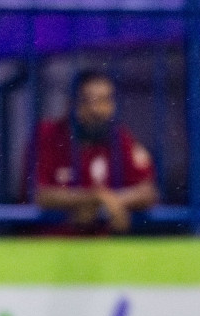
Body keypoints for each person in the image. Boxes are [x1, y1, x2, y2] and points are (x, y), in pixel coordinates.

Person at [28, 69, 158, 235]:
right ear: (71, 104)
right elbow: (41, 194)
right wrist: (94, 198)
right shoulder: (47, 134)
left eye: (105, 101)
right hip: (48, 247)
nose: (96, 109)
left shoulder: (118, 137)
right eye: (87, 101)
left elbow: (147, 192)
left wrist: (111, 200)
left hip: (102, 250)